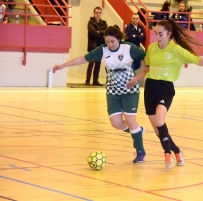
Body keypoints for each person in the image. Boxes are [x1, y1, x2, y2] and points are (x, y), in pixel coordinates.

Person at [126, 19, 203, 169]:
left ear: (169, 34)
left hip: (165, 88)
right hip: (150, 88)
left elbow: (197, 60)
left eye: (161, 34)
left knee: (160, 121)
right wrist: (135, 80)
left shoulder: (176, 50)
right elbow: (147, 69)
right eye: (156, 33)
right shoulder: (151, 48)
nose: (157, 37)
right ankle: (176, 150)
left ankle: (167, 154)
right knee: (158, 130)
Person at [53, 26, 147, 163]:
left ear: (119, 39)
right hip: (112, 89)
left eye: (112, 41)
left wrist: (140, 75)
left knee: (130, 120)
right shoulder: (102, 50)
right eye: (107, 41)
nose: (110, 44)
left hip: (129, 89)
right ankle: (137, 131)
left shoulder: (129, 48)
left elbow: (146, 57)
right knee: (116, 123)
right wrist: (63, 65)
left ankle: (140, 151)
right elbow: (83, 59)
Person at [86, 6, 108, 86]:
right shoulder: (90, 22)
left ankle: (95, 80)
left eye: (99, 13)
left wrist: (100, 32)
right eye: (96, 13)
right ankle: (87, 80)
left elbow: (106, 31)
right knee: (91, 63)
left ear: (101, 14)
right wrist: (100, 33)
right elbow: (93, 32)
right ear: (94, 13)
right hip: (92, 45)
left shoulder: (104, 23)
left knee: (98, 63)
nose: (98, 14)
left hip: (100, 45)